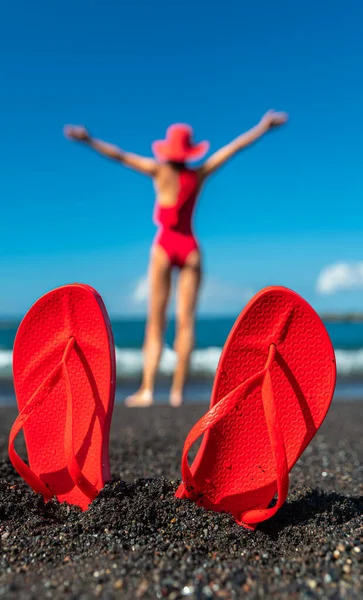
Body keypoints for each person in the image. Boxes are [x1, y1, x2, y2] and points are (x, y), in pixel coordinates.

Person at [64, 110, 288, 407]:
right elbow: (233, 148)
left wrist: (88, 140)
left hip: (165, 245)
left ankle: (147, 390)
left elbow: (120, 156)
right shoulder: (199, 173)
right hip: (190, 247)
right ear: (190, 150)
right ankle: (177, 393)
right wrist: (262, 127)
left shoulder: (158, 171)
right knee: (186, 322)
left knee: (155, 322)